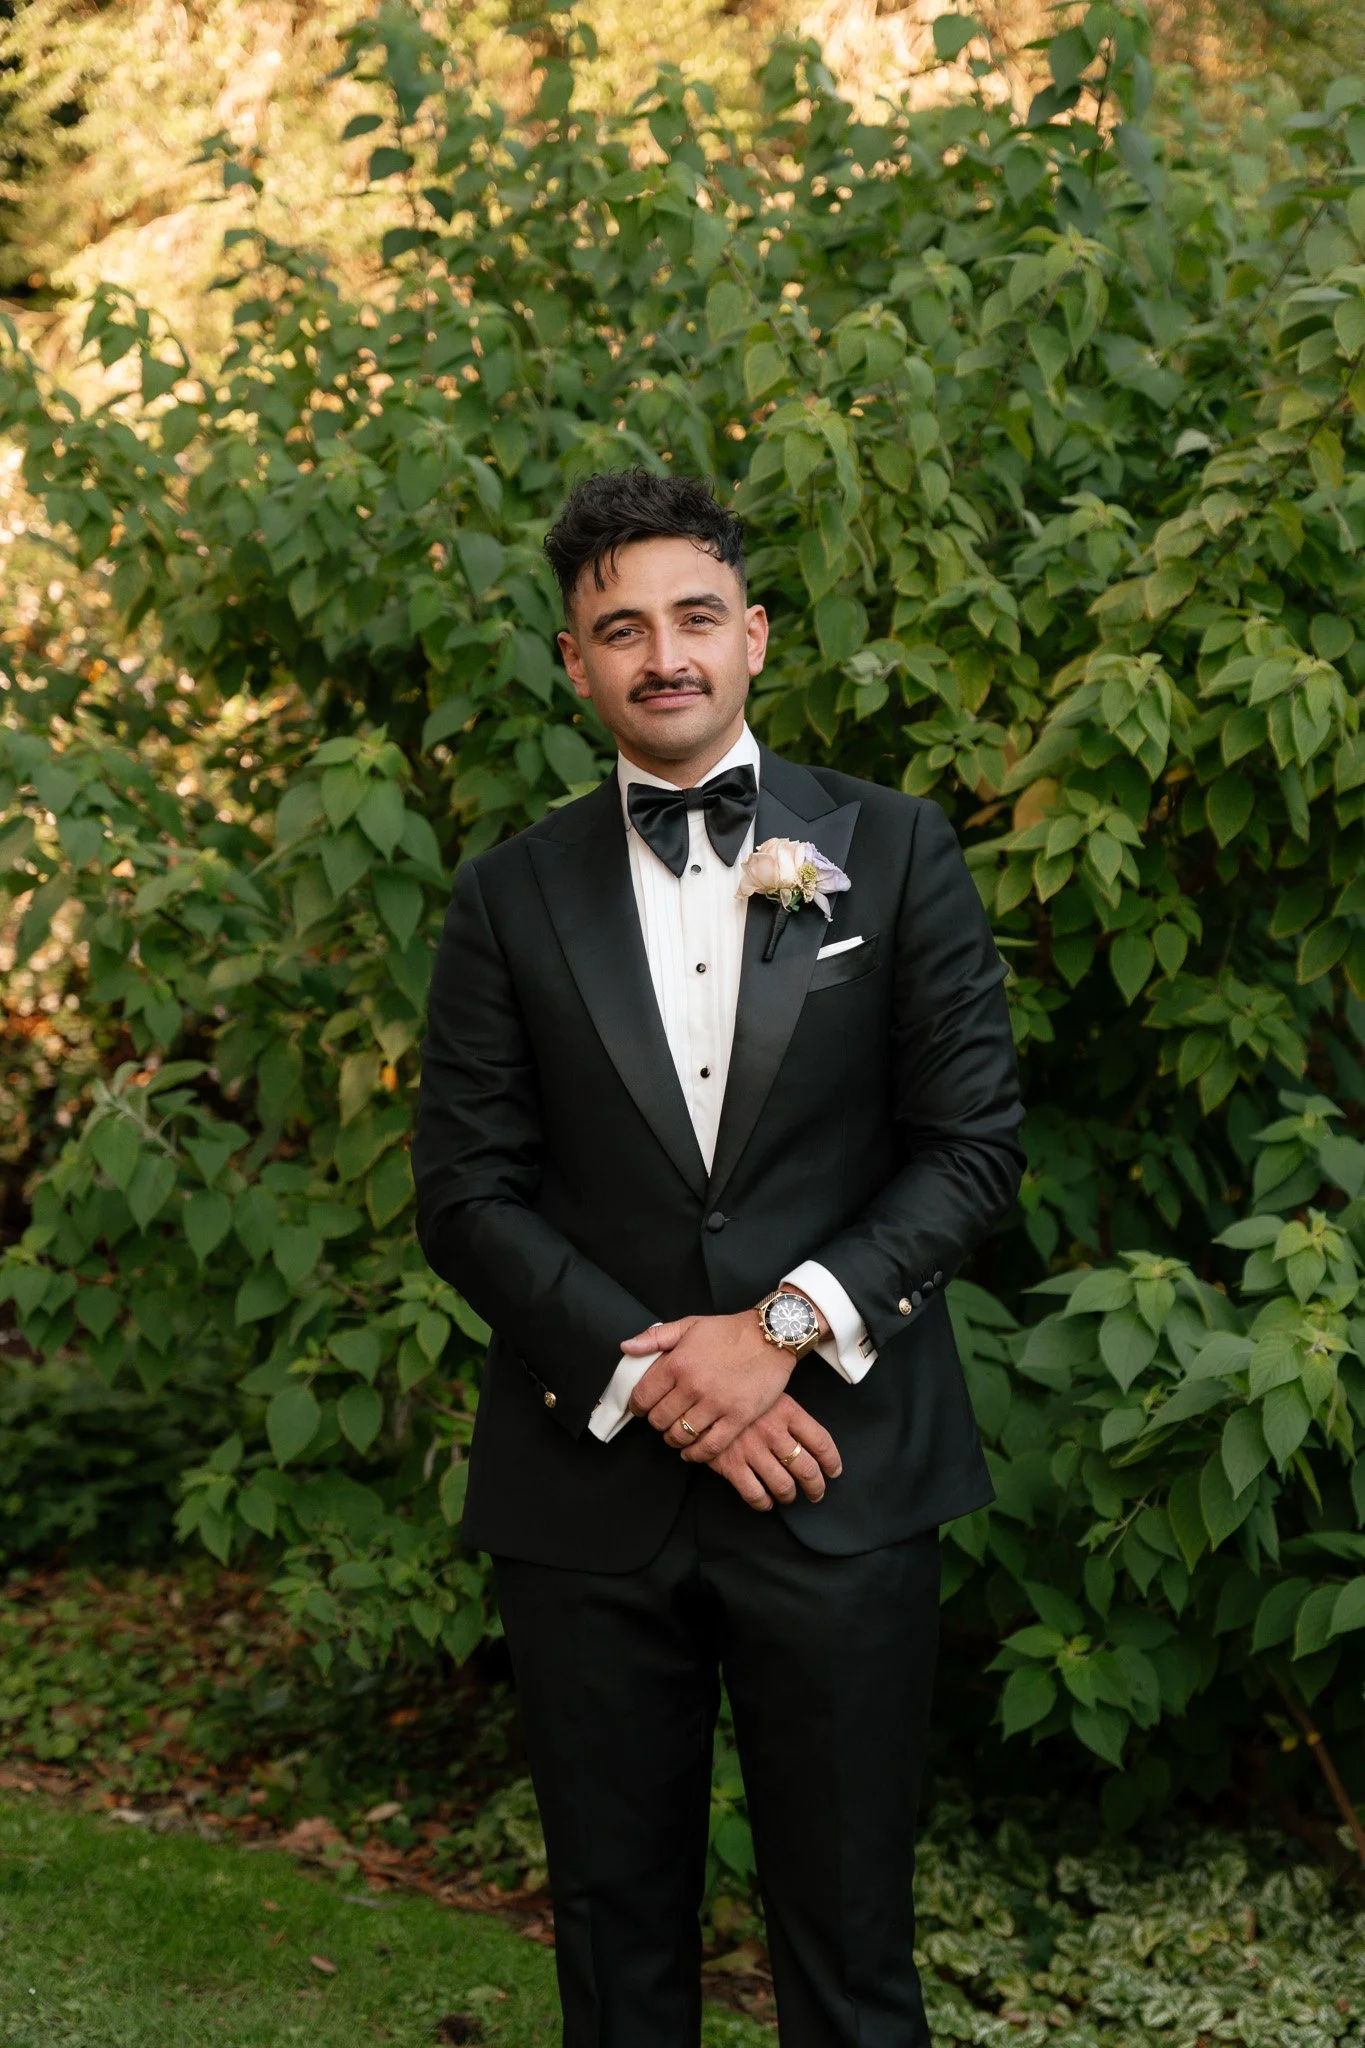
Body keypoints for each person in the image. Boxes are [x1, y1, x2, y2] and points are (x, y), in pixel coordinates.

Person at [412, 468, 1025, 2047]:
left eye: (695, 618)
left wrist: (778, 1331)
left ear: (755, 637)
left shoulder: (890, 853)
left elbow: (970, 1150)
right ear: (576, 665)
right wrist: (663, 1373)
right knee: (617, 1958)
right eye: (621, 630)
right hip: (590, 1491)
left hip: (845, 1475)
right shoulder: (506, 897)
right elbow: (467, 1192)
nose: (661, 654)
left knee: (851, 1953)